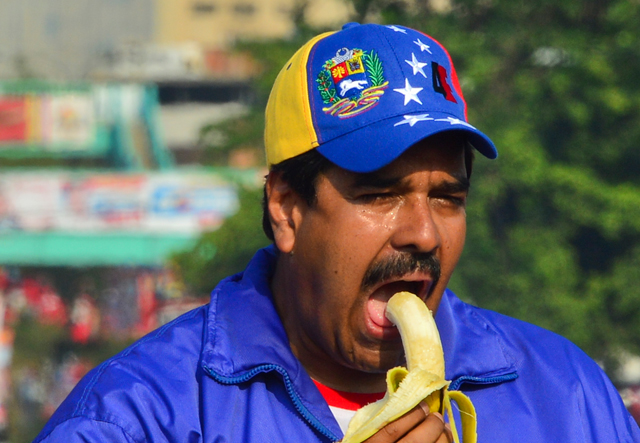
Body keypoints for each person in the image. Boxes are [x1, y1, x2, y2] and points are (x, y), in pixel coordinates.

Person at [34, 22, 640, 443]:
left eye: (447, 198)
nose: (424, 234)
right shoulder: (138, 417)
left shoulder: (568, 396)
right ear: (287, 209)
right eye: (379, 194)